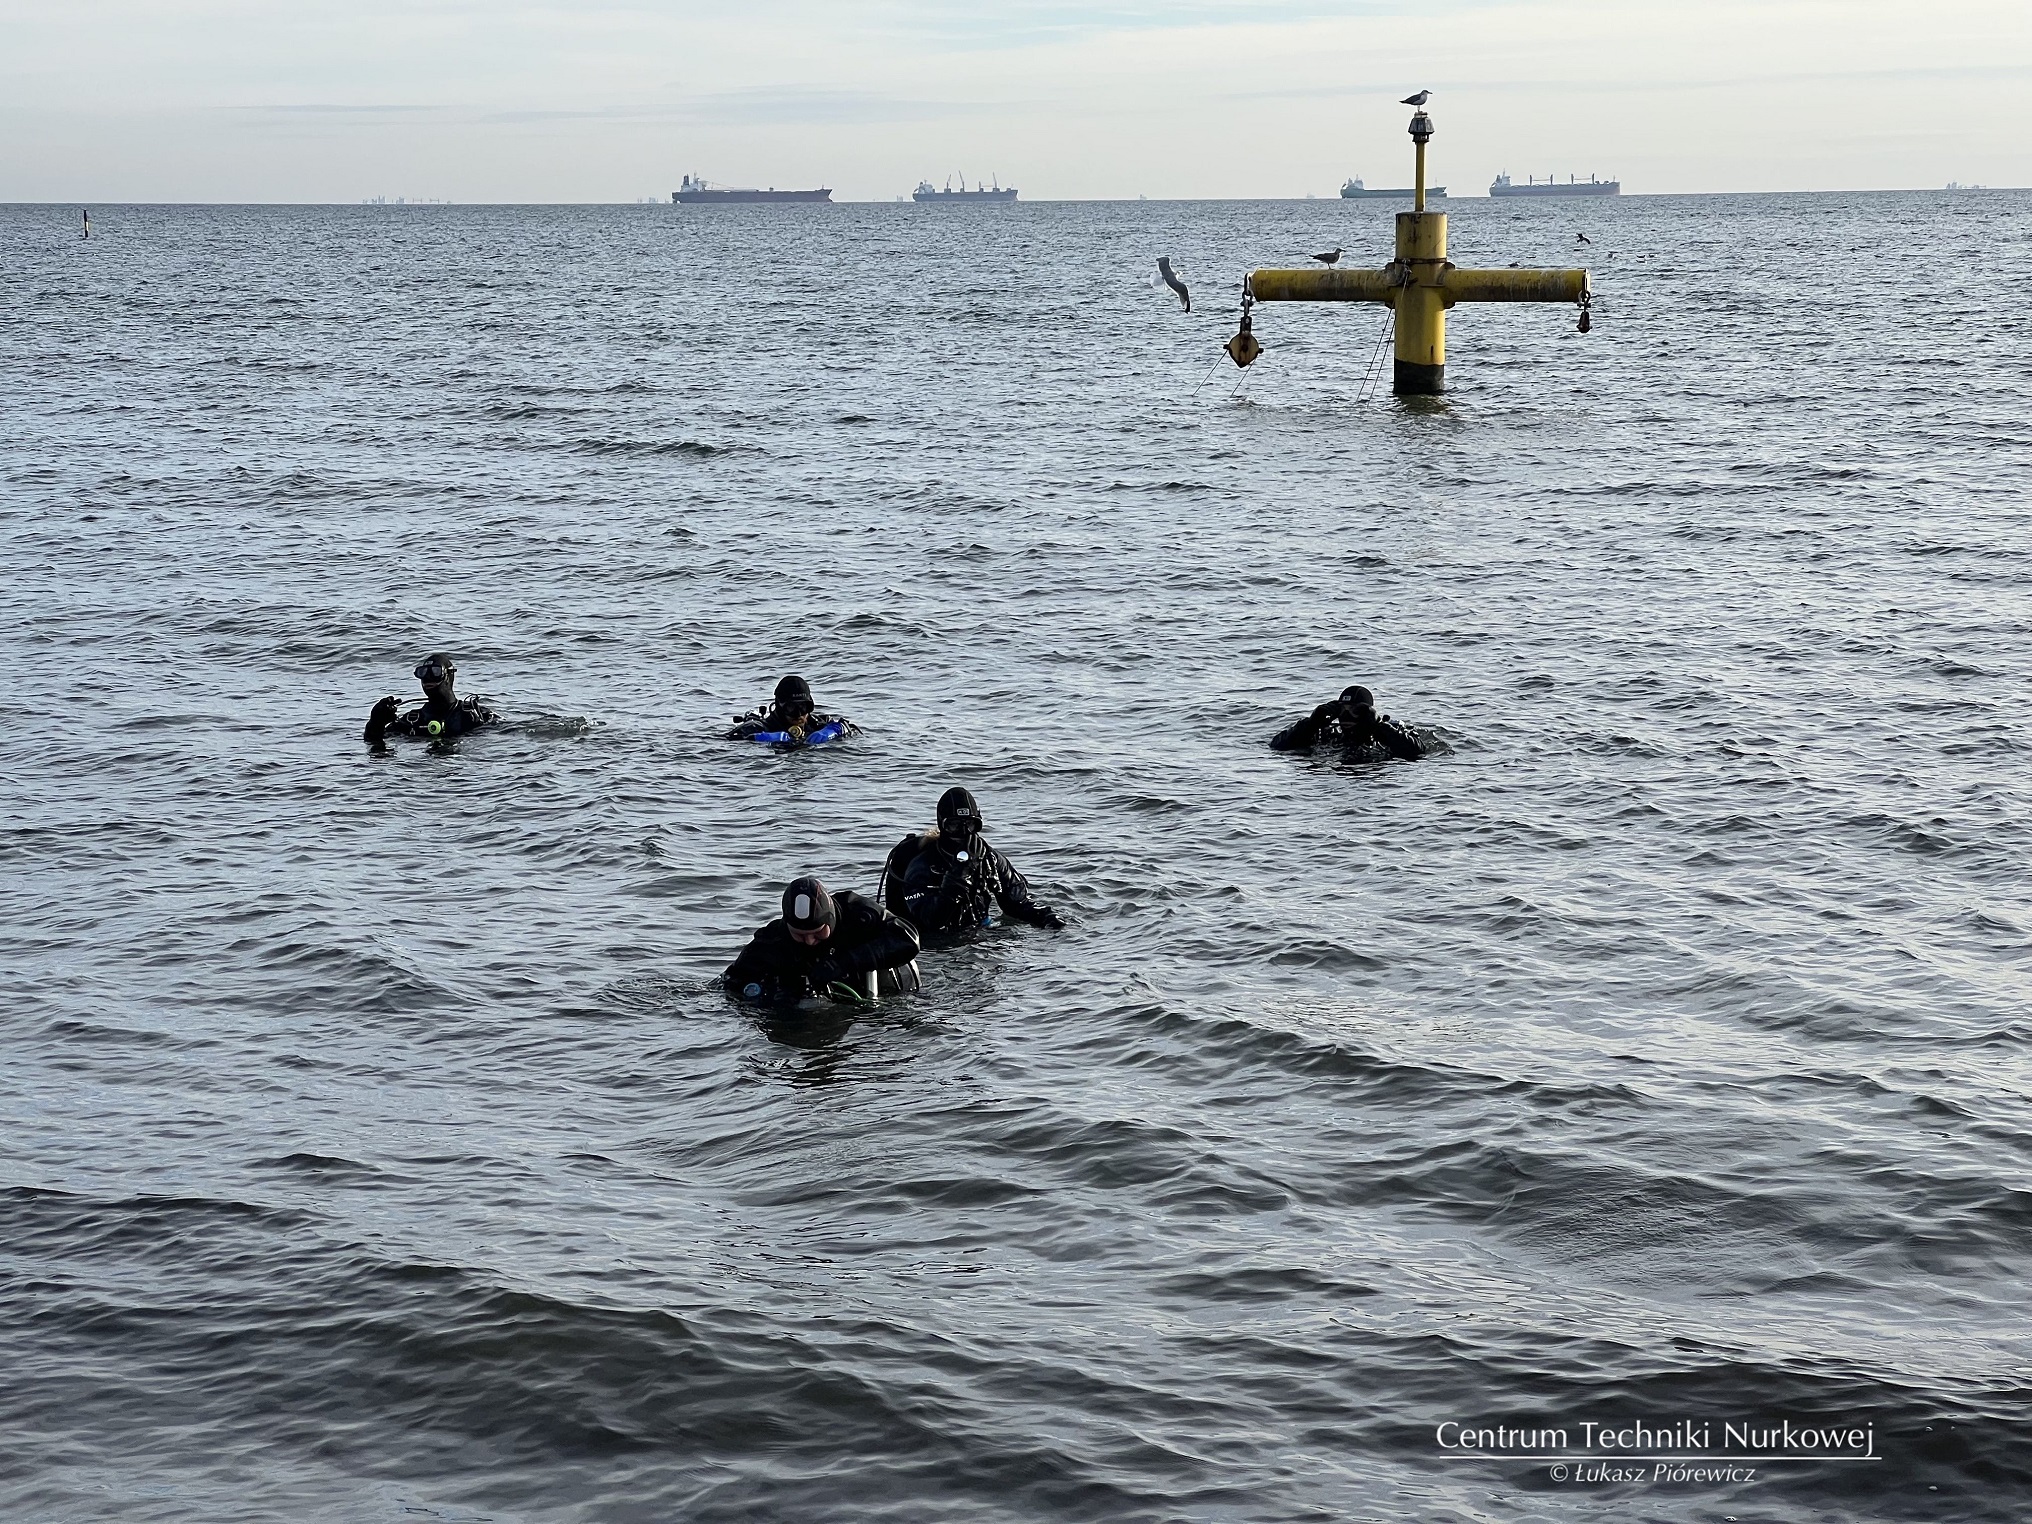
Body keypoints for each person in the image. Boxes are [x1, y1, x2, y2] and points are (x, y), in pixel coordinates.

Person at [881, 787, 1064, 942]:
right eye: (954, 825)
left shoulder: (989, 858)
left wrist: (1045, 918)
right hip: (934, 943)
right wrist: (959, 874)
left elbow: (1017, 904)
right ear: (941, 825)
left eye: (970, 825)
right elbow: (932, 920)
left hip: (980, 934)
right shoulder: (923, 866)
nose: (963, 832)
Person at [725, 875, 921, 1003]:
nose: (810, 941)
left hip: (888, 996)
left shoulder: (857, 914)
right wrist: (771, 994)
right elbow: (731, 982)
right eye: (800, 935)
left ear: (831, 920)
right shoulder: (774, 938)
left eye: (818, 932)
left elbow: (909, 940)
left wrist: (845, 962)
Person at [364, 653, 497, 745]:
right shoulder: (411, 721)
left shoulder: (475, 715)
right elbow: (373, 747)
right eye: (423, 673)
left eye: (435, 672)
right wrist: (375, 723)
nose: (428, 678)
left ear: (449, 677)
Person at [1270, 684, 1421, 759]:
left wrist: (1379, 726)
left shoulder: (1386, 735)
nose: (1347, 716)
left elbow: (1418, 752)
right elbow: (1277, 747)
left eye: (1355, 711)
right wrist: (1311, 724)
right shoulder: (1330, 735)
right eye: (1342, 711)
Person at [726, 674, 858, 745]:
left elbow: (851, 728)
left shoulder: (817, 724)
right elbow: (729, 740)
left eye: (804, 707)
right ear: (779, 706)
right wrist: (758, 738)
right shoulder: (759, 728)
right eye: (791, 708)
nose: (799, 714)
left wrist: (833, 730)